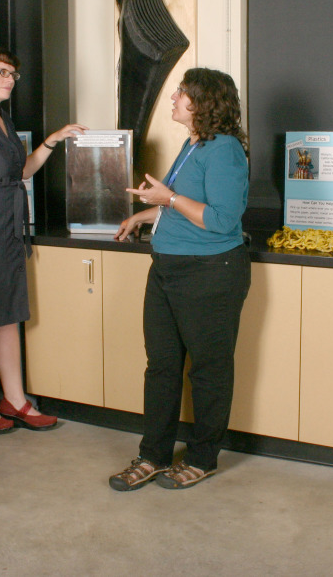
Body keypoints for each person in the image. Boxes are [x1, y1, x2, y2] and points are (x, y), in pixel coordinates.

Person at [109, 67, 251, 491]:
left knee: (208, 371)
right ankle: (153, 455)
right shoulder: (193, 145)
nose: (173, 97)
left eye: (182, 92)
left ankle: (203, 457)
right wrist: (147, 212)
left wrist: (166, 197)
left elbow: (222, 220)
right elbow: (182, 204)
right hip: (168, 269)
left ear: (204, 104)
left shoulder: (223, 150)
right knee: (162, 367)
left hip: (209, 273)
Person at [0, 47, 87, 434]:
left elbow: (22, 171)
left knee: (8, 317)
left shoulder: (4, 123)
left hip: (9, 231)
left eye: (12, 73)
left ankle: (14, 398)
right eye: (0, 71)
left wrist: (53, 140)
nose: (8, 79)